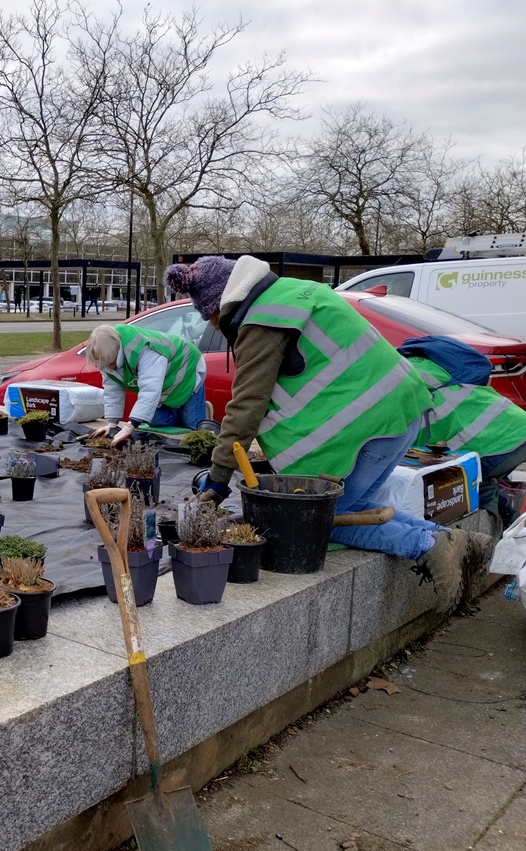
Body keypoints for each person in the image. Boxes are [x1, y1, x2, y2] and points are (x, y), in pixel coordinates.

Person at [165, 255, 492, 612]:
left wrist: (217, 479)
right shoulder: (294, 292)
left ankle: (428, 547)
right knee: (353, 507)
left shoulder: (261, 321)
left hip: (369, 426)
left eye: (210, 318)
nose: (213, 326)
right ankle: (455, 539)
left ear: (221, 305)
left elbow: (247, 406)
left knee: (317, 524)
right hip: (396, 411)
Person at [402, 349, 526, 520]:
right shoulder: (410, 365)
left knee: (474, 484)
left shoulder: (394, 382)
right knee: (481, 481)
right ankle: (504, 523)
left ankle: (495, 535)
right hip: (513, 425)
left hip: (497, 440)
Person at [80, 324, 207, 447]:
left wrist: (130, 426)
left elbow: (150, 390)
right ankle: (177, 411)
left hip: (187, 369)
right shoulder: (105, 358)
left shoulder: (145, 350)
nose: (107, 368)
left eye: (109, 364)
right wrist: (112, 424)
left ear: (117, 353)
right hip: (164, 381)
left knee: (193, 429)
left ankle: (198, 412)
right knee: (155, 420)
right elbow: (113, 391)